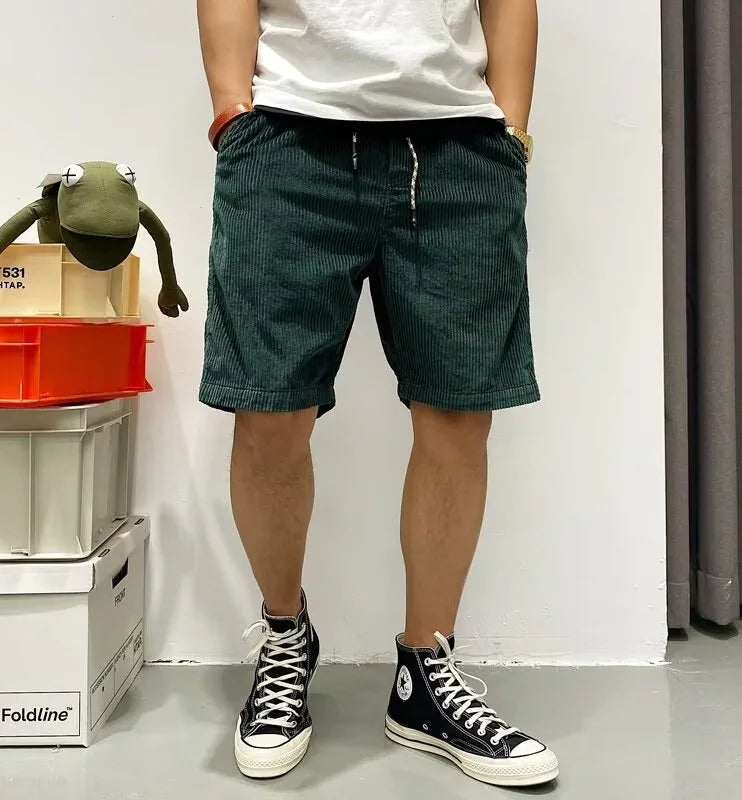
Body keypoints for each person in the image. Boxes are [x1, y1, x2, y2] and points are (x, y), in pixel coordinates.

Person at [197, 0, 557, 787]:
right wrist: (233, 109)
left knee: (460, 409)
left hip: (460, 144)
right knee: (268, 406)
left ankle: (425, 674)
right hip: (289, 138)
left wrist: (512, 131)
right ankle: (285, 635)